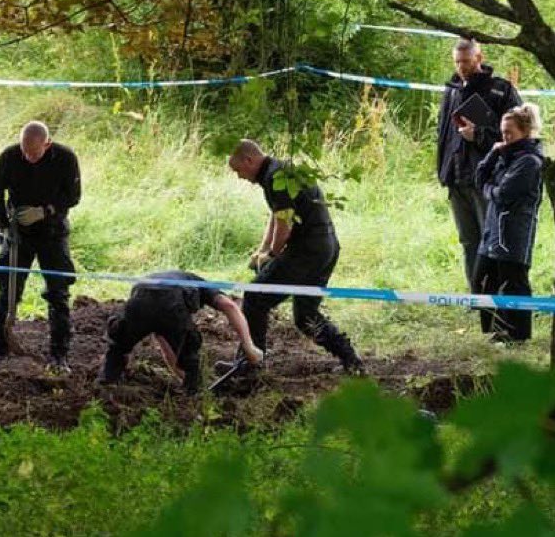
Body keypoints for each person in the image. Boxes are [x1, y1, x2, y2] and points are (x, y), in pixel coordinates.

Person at [227, 139, 364, 374]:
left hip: (308, 250)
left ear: (249, 160)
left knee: (255, 297)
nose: (239, 177)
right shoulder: (278, 173)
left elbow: (285, 224)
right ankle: (351, 360)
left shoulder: (275, 177)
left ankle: (251, 364)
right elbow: (276, 215)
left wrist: (272, 254)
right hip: (326, 246)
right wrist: (263, 250)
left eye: (238, 170)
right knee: (306, 316)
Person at [0, 121, 81, 371]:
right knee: (8, 289)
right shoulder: (9, 157)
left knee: (58, 293)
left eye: (34, 153)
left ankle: (59, 356)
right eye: (24, 151)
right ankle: (0, 349)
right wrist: (5, 227)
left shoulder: (65, 158)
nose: (28, 157)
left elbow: (73, 196)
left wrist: (45, 211)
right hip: (19, 236)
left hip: (53, 233)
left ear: (47, 144)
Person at [437, 38, 523, 292]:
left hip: (487, 180)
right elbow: (443, 134)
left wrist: (480, 136)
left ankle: (498, 298)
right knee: (468, 241)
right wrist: (443, 172)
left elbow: (518, 137)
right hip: (456, 178)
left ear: (479, 58)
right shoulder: (451, 90)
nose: (461, 67)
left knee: (492, 241)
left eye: (466, 61)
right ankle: (477, 295)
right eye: (457, 62)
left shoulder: (501, 90)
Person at [98, 271, 263, 394]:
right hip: (172, 303)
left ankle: (107, 388)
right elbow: (230, 306)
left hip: (139, 299)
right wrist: (249, 348)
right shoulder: (203, 286)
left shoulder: (172, 279)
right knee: (190, 354)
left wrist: (179, 375)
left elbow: (167, 347)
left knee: (118, 345)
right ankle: (193, 397)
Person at [473, 104, 545, 343]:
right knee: (482, 279)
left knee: (513, 283)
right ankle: (494, 330)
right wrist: (493, 153)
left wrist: (487, 189)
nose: (504, 137)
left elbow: (503, 194)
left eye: (509, 132)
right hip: (493, 229)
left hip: (513, 233)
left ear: (525, 132)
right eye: (502, 132)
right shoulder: (505, 155)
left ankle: (518, 335)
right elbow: (480, 177)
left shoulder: (529, 162)